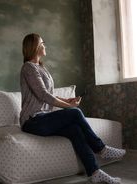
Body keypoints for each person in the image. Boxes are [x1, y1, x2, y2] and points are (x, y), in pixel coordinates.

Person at [20, 33, 126, 184]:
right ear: (34, 47)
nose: (45, 45)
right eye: (42, 43)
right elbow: (43, 95)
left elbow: (49, 94)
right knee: (75, 112)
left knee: (75, 130)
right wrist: (70, 106)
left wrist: (67, 100)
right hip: (32, 121)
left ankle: (95, 172)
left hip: (43, 118)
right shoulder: (28, 68)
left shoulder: (41, 68)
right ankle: (101, 149)